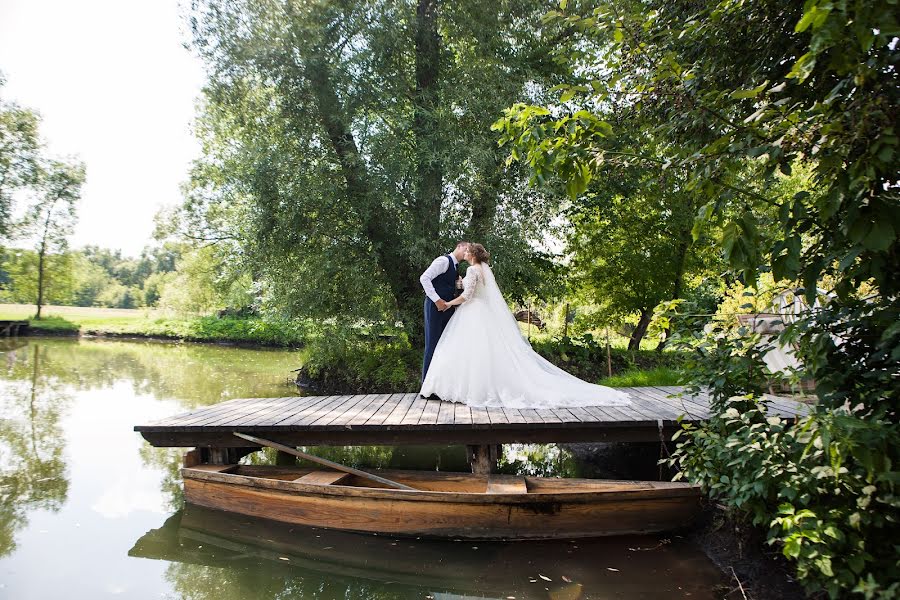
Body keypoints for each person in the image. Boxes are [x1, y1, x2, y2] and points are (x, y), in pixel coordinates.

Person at [420, 243, 631, 408]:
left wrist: (448, 303)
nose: (464, 253)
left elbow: (467, 295)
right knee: (483, 353)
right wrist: (458, 285)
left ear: (473, 255)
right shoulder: (482, 270)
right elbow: (473, 289)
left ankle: (469, 390)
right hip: (479, 312)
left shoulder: (473, 271)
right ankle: (473, 388)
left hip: (472, 312)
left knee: (470, 352)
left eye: (467, 252)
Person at [419, 241, 468, 381]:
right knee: (432, 345)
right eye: (466, 247)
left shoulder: (455, 267)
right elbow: (424, 278)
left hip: (447, 309)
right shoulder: (443, 261)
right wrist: (437, 300)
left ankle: (440, 384)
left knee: (445, 345)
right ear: (459, 246)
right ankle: (427, 386)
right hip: (435, 307)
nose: (467, 250)